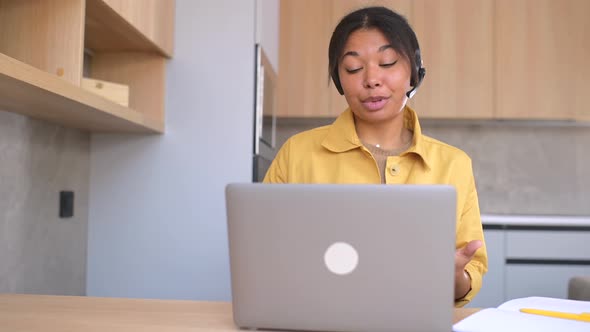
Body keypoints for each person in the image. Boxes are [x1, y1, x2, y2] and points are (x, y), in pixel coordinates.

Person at [263, 6, 487, 307]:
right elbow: (263, 256)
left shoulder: (454, 164)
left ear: (415, 73)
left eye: (387, 62)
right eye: (354, 68)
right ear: (339, 79)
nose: (371, 80)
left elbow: (468, 276)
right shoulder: (297, 154)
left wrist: (453, 276)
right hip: (319, 317)